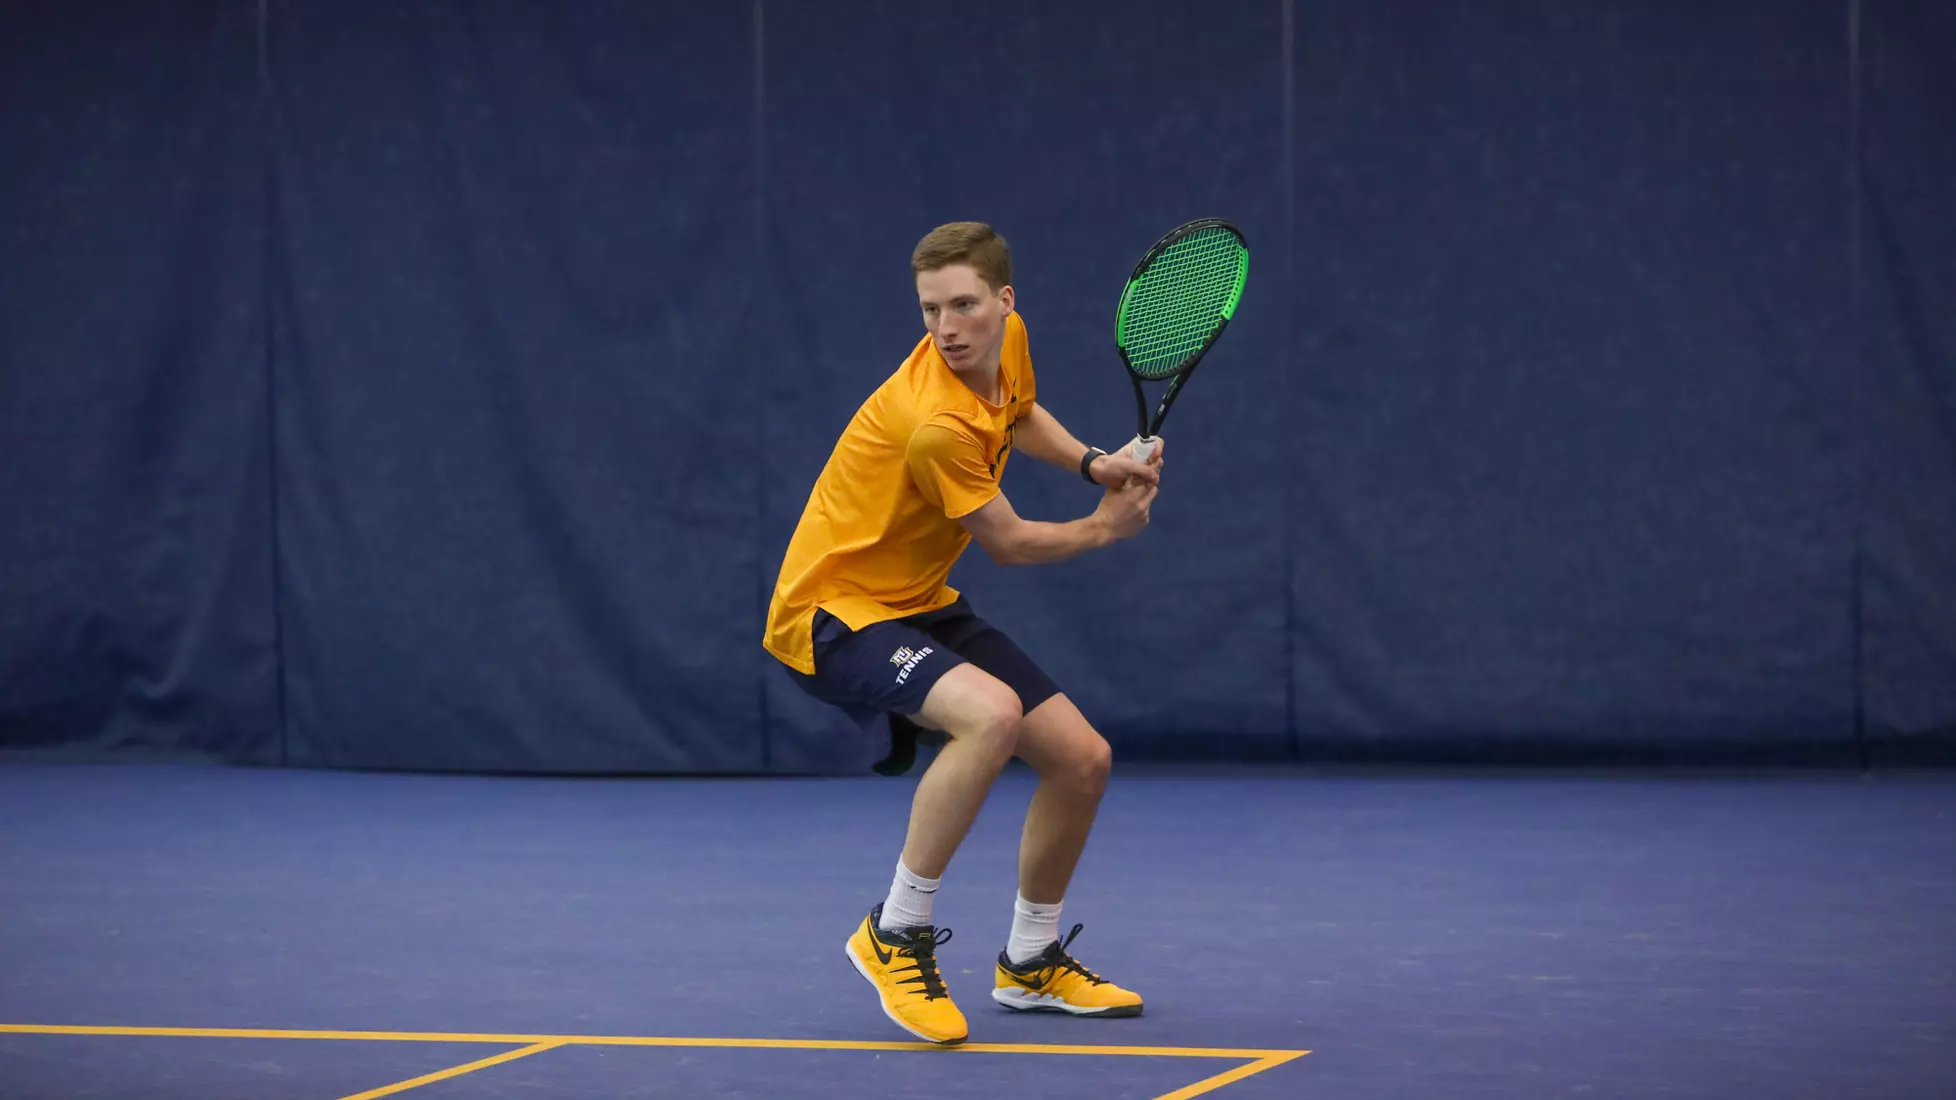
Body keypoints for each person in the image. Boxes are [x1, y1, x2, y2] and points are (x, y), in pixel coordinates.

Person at [761, 222, 1163, 1045]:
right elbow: (1011, 544)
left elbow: (1016, 416)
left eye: (964, 305)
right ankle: (893, 932)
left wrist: (1094, 463)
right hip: (832, 611)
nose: (947, 327)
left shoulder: (1006, 343)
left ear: (1003, 302)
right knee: (989, 714)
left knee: (1083, 760)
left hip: (917, 599)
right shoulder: (932, 422)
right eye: (930, 309)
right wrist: (1104, 528)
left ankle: (1031, 962)